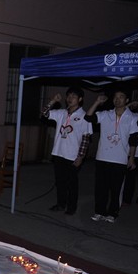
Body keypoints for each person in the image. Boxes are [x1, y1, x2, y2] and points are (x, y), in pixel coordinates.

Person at [85, 89, 138, 223]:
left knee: (116, 189)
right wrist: (97, 102)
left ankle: (113, 213)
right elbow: (88, 117)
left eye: (121, 97)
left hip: (120, 159)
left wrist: (131, 158)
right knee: (101, 187)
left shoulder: (132, 118)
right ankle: (99, 211)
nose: (118, 99)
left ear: (127, 100)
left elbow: (134, 139)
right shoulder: (106, 114)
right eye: (116, 97)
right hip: (102, 157)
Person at [41, 87, 93, 215]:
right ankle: (61, 204)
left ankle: (71, 207)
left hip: (72, 155)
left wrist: (81, 156)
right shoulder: (62, 113)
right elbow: (44, 113)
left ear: (80, 99)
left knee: (71, 183)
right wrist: (53, 101)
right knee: (60, 182)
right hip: (59, 153)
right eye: (69, 96)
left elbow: (86, 138)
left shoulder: (84, 116)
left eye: (74, 96)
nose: (70, 98)